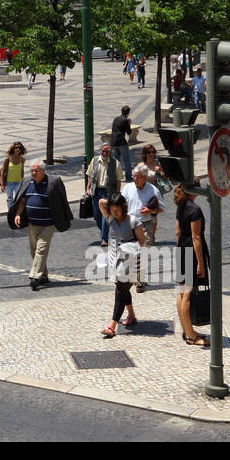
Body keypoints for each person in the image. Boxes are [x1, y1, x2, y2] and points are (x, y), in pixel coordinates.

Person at [10, 159, 72, 291]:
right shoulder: (27, 182)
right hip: (32, 223)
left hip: (48, 224)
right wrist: (18, 214)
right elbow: (22, 200)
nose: (33, 173)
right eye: (32, 170)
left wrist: (61, 217)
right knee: (34, 251)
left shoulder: (52, 182)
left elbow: (62, 201)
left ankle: (35, 276)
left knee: (41, 249)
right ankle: (43, 275)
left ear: (43, 171)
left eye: (36, 170)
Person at [99, 192, 146, 338]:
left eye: (117, 209)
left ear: (123, 207)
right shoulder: (110, 219)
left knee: (120, 290)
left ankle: (112, 326)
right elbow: (101, 203)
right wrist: (112, 201)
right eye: (112, 209)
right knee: (123, 290)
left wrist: (129, 249)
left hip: (131, 261)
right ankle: (131, 315)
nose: (114, 212)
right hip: (115, 261)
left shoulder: (133, 221)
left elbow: (142, 241)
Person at [174, 184, 209, 348]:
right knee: (187, 293)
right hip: (191, 253)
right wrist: (200, 263)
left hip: (182, 249)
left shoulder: (181, 206)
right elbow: (196, 237)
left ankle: (186, 330)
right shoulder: (195, 210)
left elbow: (178, 233)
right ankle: (191, 336)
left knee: (182, 293)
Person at [120, 163, 161, 292]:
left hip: (145, 225)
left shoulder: (153, 190)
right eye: (134, 176)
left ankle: (140, 281)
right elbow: (121, 205)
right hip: (130, 225)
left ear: (145, 177)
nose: (135, 179)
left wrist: (149, 210)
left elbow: (161, 208)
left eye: (138, 176)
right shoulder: (127, 188)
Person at [85, 143, 123, 248]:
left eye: (106, 151)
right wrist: (88, 189)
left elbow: (119, 180)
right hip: (96, 192)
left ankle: (104, 239)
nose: (104, 153)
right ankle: (107, 231)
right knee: (97, 216)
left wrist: (117, 194)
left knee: (104, 216)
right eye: (102, 150)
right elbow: (90, 176)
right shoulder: (95, 160)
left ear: (110, 152)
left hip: (108, 193)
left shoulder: (116, 163)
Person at [0, 141, 28, 214]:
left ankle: (18, 212)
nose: (18, 149)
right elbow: (2, 171)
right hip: (8, 182)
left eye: (20, 148)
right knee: (10, 198)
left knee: (19, 198)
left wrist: (22, 181)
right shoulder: (7, 159)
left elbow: (22, 171)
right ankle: (10, 213)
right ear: (13, 149)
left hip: (18, 182)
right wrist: (2, 184)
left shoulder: (22, 160)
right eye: (16, 148)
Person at [110, 105, 134, 181]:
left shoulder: (116, 119)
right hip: (121, 142)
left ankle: (114, 177)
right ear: (128, 113)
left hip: (114, 142)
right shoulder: (126, 120)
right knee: (126, 160)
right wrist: (129, 123)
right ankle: (128, 177)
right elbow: (129, 132)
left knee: (115, 161)